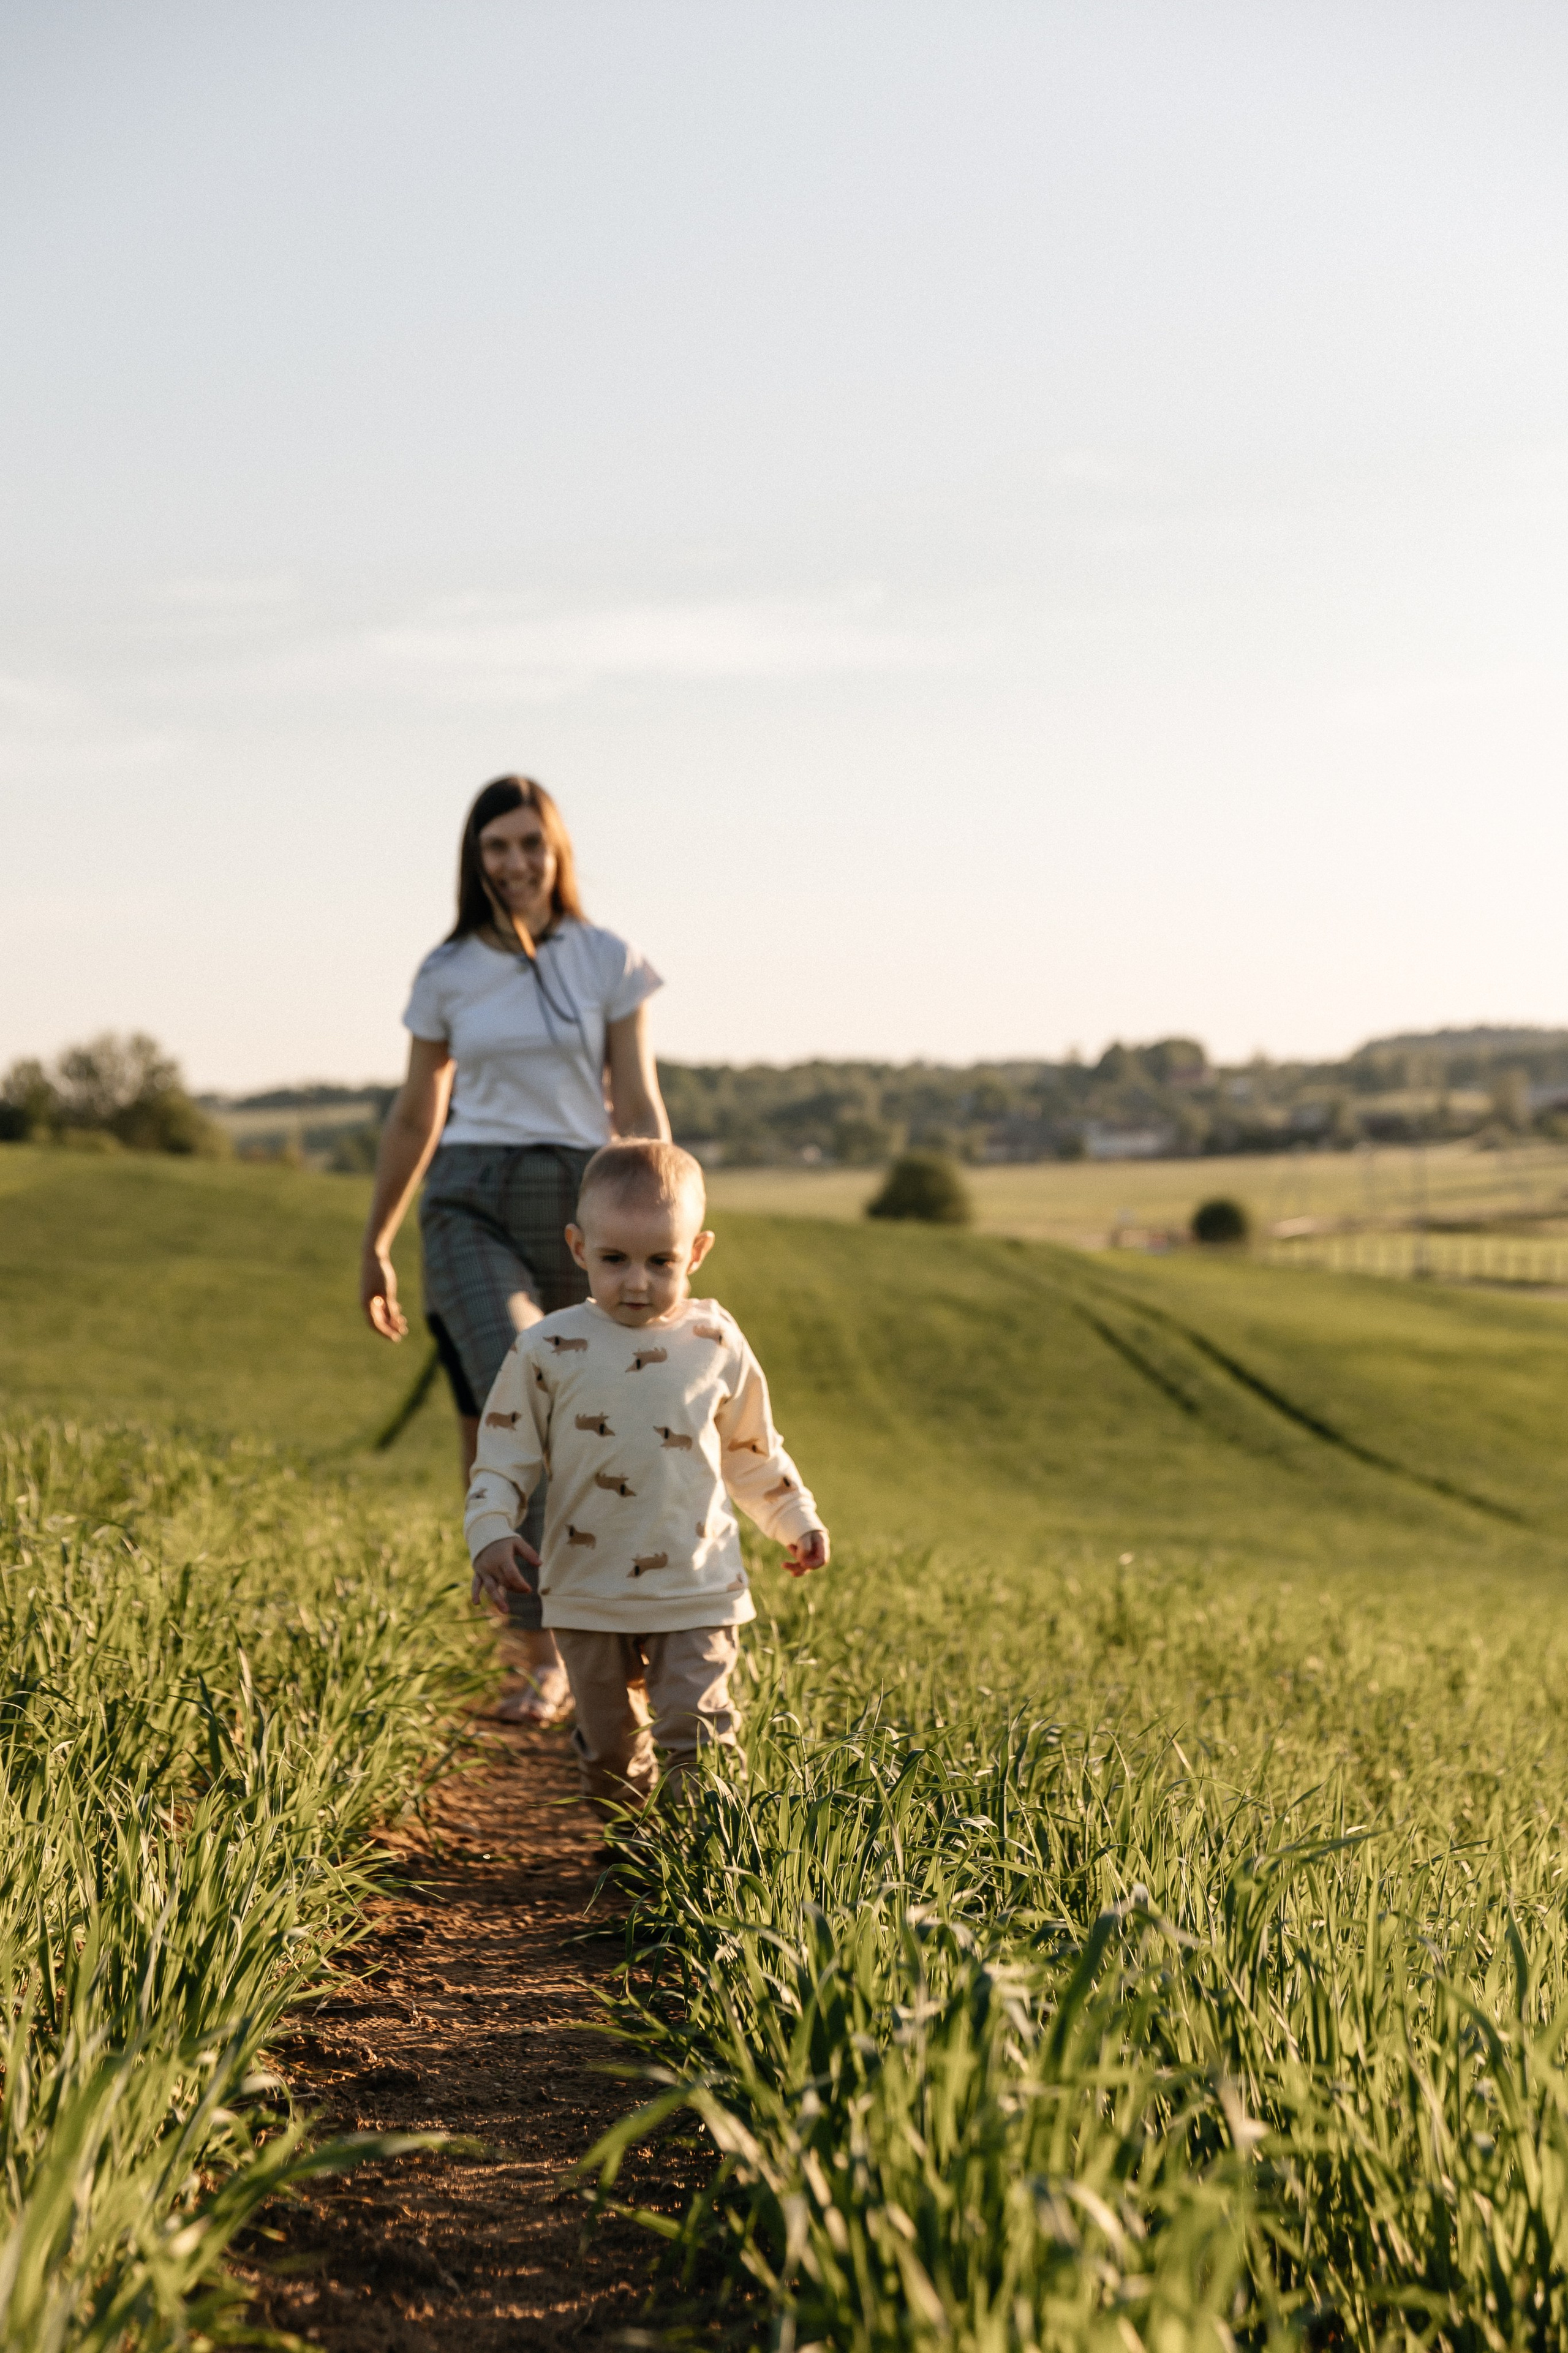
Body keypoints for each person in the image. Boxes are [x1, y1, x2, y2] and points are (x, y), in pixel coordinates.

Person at [361, 776, 670, 1724]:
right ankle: (539, 1652)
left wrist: (663, 1223)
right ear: (475, 859)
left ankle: (608, 1618)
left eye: (531, 844)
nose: (515, 862)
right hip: (468, 1195)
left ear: (558, 851)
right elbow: (419, 1110)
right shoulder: (447, 969)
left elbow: (638, 1095)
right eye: (496, 846)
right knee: (513, 1381)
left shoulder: (607, 958)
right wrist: (374, 1237)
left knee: (595, 1410)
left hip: (586, 1190)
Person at [465, 1139, 829, 1813]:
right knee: (608, 1749)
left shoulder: (716, 1342)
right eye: (614, 1260)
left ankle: (700, 1861)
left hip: (696, 1582)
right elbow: (505, 1449)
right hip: (586, 1587)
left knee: (699, 1733)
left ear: (696, 1252)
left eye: (661, 1261)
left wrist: (794, 1516)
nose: (637, 1282)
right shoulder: (546, 1347)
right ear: (578, 1248)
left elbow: (751, 1447)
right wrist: (490, 1528)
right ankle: (632, 1848)